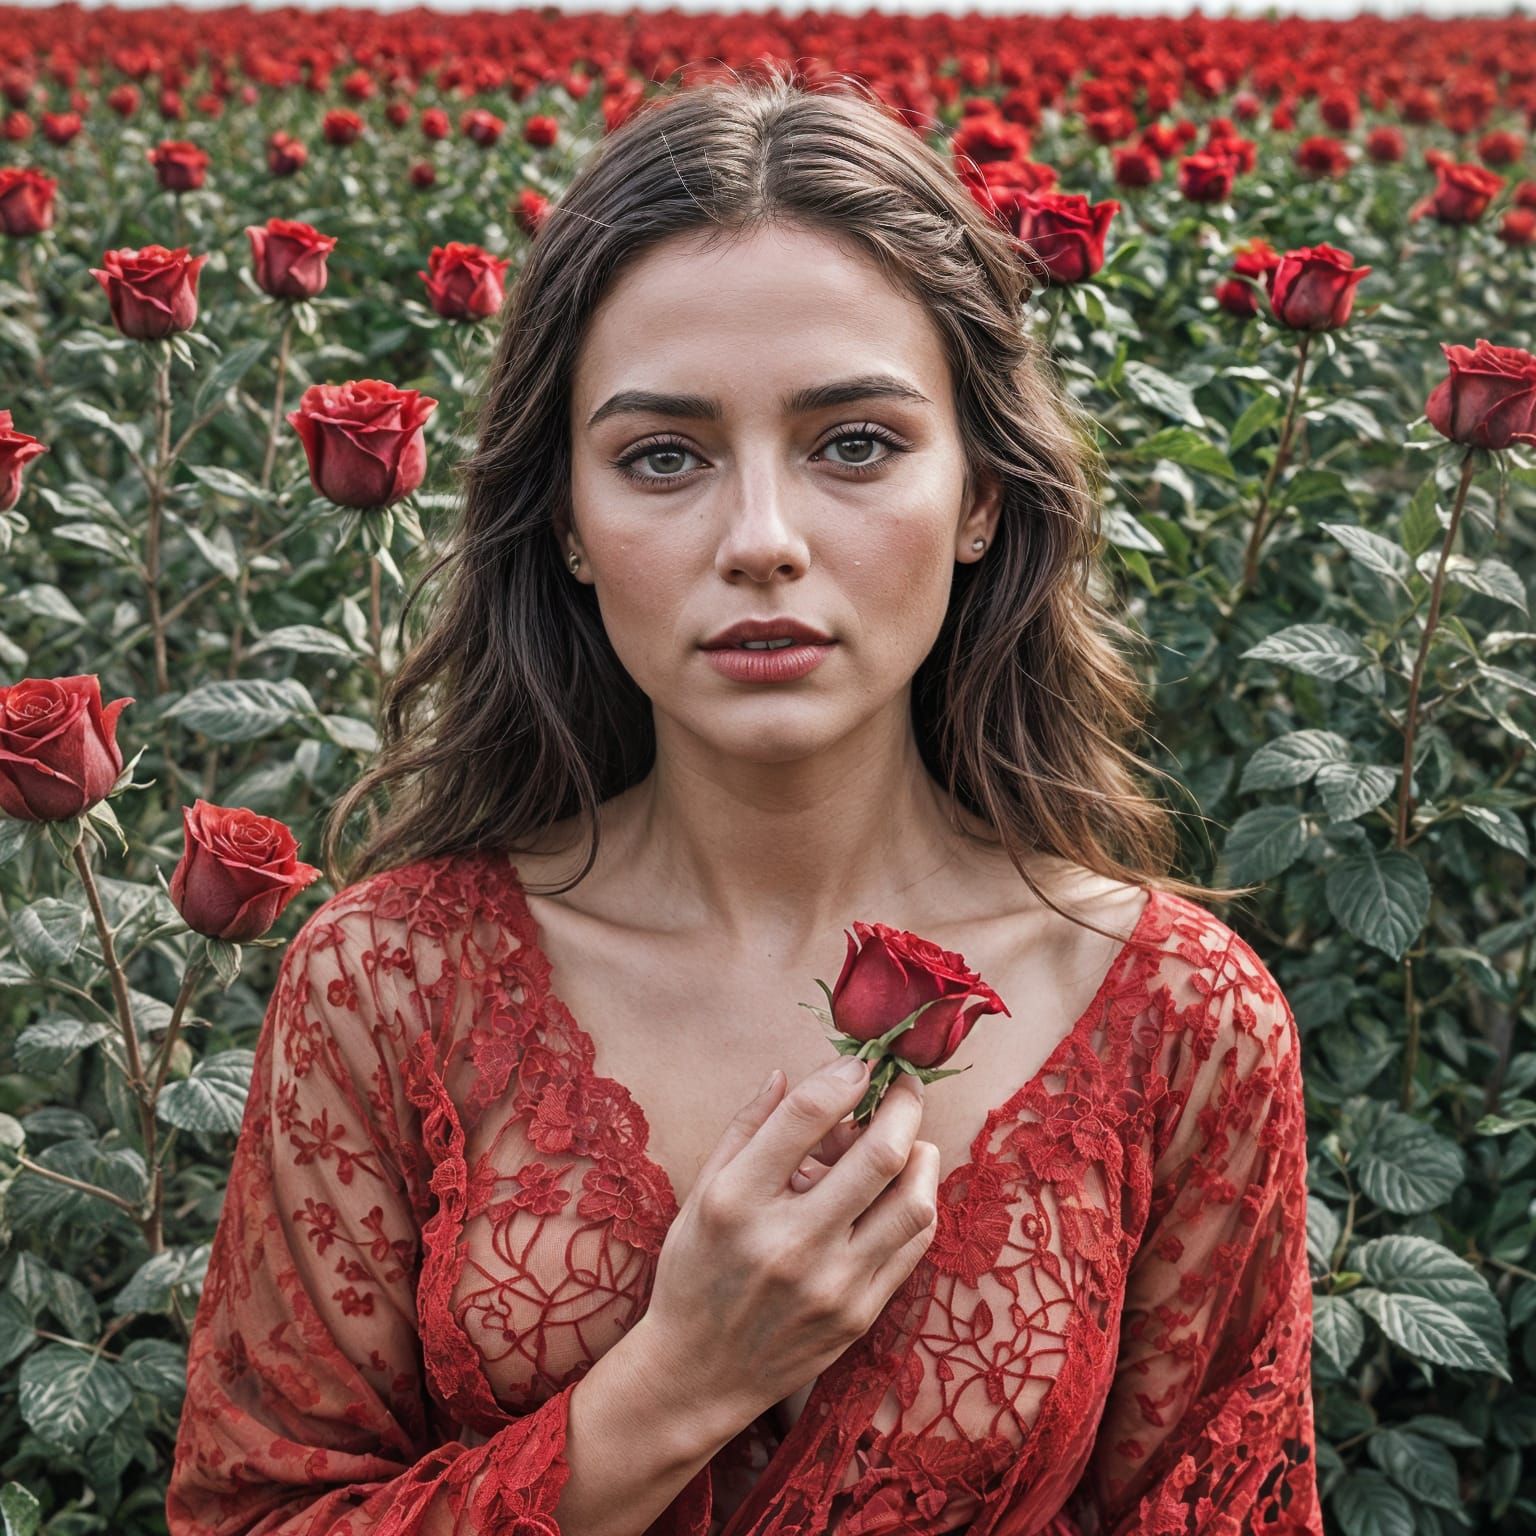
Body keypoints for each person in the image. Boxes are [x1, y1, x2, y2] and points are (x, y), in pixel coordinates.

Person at [166, 63, 1324, 1536]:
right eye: (663, 457)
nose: (762, 539)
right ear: (569, 524)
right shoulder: (390, 988)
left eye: (856, 443)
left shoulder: (1180, 1024)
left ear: (980, 496)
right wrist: (673, 1386)